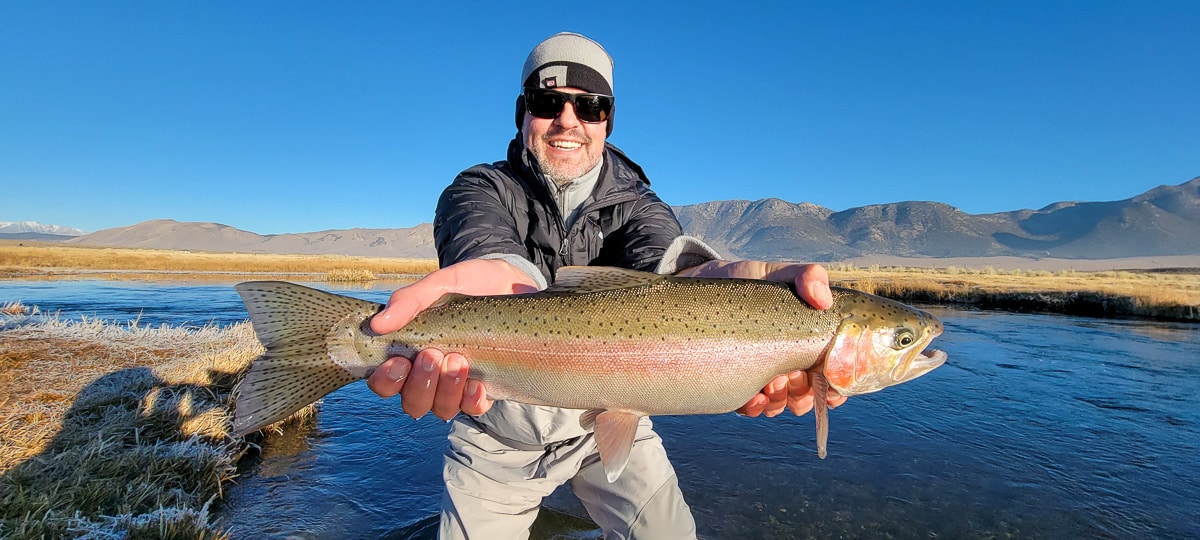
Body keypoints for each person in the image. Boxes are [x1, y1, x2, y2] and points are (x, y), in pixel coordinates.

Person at [366, 32, 846, 539]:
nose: (568, 120)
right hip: (497, 429)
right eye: (548, 102)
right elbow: (488, 253)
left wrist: (709, 286)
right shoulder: (479, 189)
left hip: (615, 424)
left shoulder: (641, 207)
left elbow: (667, 267)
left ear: (607, 121)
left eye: (590, 107)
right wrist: (505, 281)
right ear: (522, 112)